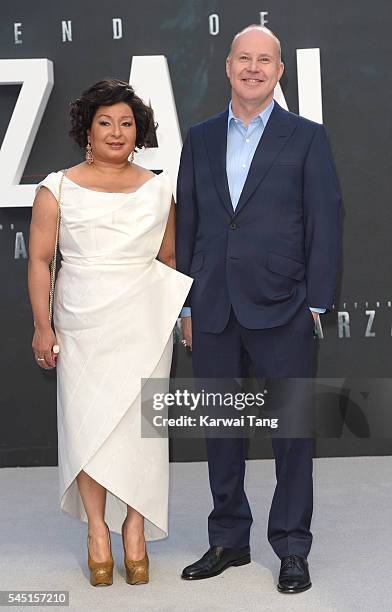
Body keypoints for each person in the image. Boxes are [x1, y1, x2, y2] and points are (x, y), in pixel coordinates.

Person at [176, 25, 341, 593]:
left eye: (264, 60)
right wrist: (186, 305)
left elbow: (325, 221)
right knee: (222, 429)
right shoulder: (197, 138)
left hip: (286, 306)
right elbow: (191, 224)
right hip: (214, 305)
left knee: (292, 434)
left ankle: (293, 547)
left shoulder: (307, 138)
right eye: (243, 58)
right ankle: (228, 539)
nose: (253, 67)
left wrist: (316, 301)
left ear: (279, 71)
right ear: (227, 66)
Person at [28, 79, 192, 587]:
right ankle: (98, 531)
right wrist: (41, 325)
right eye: (106, 122)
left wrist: (181, 315)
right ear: (87, 130)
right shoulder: (56, 188)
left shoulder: (160, 187)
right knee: (88, 430)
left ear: (138, 130)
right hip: (80, 324)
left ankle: (135, 526)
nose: (117, 132)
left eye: (126, 123)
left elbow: (168, 258)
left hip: (144, 325)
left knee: (144, 430)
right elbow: (39, 261)